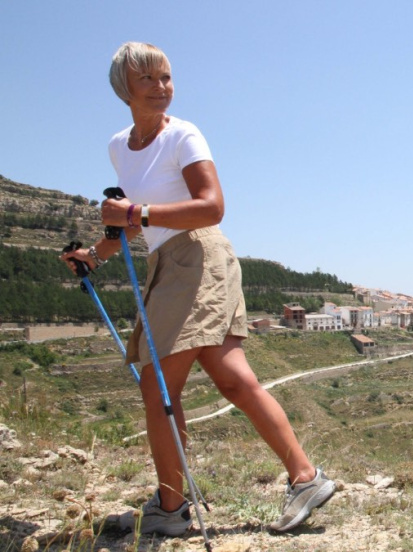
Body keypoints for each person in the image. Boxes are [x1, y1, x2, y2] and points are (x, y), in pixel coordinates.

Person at [61, 42, 335, 536]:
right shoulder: (119, 147)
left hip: (199, 257)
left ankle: (170, 508)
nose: (161, 87)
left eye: (166, 77)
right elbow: (135, 224)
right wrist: (95, 256)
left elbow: (211, 206)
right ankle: (305, 478)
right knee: (232, 378)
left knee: (158, 386)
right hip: (169, 262)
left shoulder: (183, 135)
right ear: (124, 89)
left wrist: (135, 212)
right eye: (148, 79)